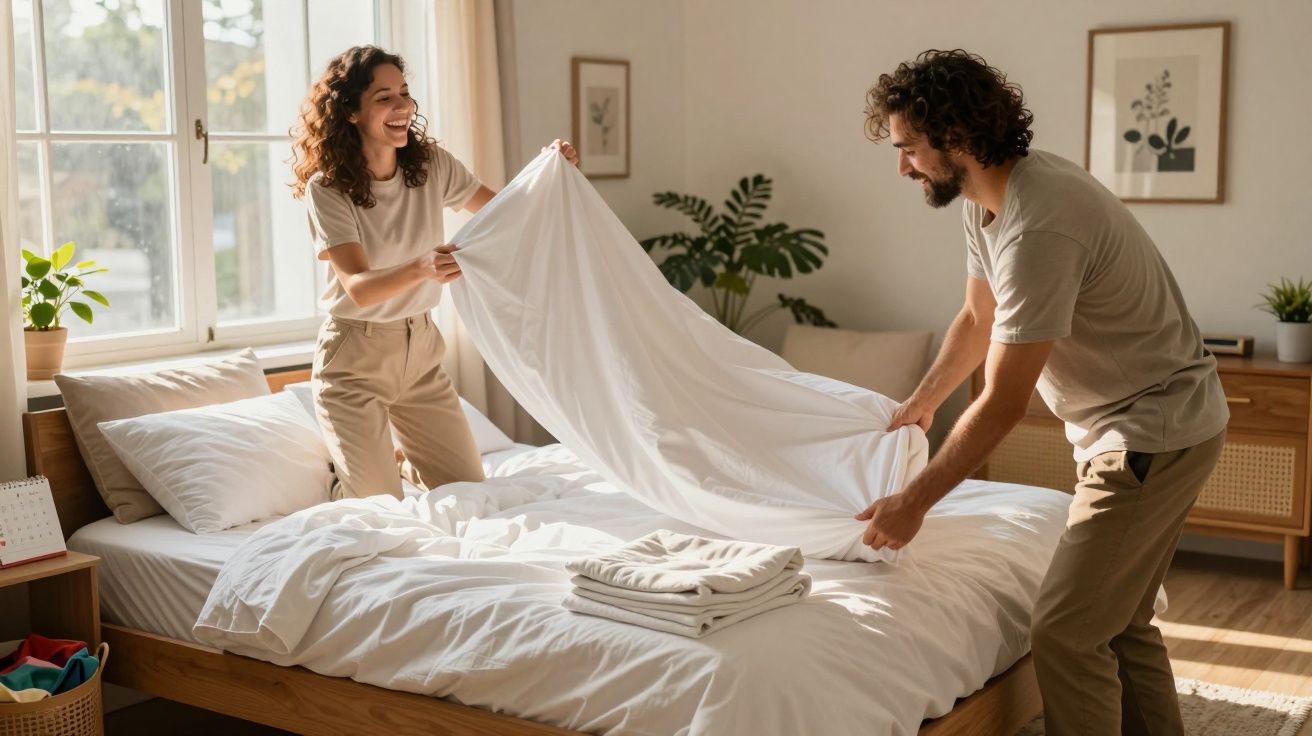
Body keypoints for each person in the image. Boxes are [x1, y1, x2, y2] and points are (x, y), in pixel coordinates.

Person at [855, 49, 1228, 735]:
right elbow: (978, 318)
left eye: (909, 148)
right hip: (1143, 423)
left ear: (956, 139)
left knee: (1065, 631)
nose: (902, 166)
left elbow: (1003, 402)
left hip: (1151, 432)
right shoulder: (986, 201)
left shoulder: (1040, 223)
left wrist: (913, 503)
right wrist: (925, 400)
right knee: (1119, 623)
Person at [291, 45, 578, 500]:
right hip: (354, 359)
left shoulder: (431, 166)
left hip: (420, 349)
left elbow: (505, 212)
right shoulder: (327, 188)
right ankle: (347, 480)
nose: (402, 105)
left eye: (404, 93)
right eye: (384, 97)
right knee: (379, 506)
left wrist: (548, 170)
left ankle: (400, 463)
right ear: (350, 112)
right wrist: (423, 266)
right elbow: (360, 288)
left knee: (468, 489)